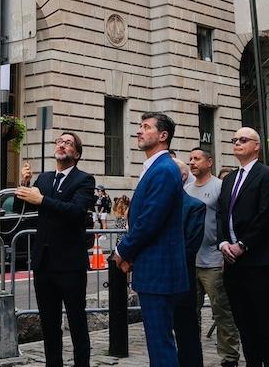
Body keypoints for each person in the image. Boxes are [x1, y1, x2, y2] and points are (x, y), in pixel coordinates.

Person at [113, 112, 187, 367]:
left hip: (160, 271)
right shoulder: (155, 167)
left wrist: (123, 250)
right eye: (139, 126)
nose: (139, 131)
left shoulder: (164, 169)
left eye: (146, 127)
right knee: (158, 343)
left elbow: (149, 220)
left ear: (163, 136)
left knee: (160, 344)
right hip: (153, 268)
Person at [15, 131, 95, 367]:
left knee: (77, 321)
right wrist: (25, 185)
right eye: (59, 141)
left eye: (68, 143)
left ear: (77, 154)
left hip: (70, 263)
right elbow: (24, 207)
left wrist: (42, 200)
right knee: (49, 324)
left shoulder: (84, 180)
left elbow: (76, 212)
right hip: (44, 262)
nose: (62, 145)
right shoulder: (45, 179)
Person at [217, 127, 269, 367]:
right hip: (232, 262)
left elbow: (266, 215)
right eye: (234, 140)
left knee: (264, 321)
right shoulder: (230, 179)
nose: (237, 143)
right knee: (243, 321)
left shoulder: (267, 175)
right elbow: (221, 213)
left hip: (257, 259)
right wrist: (224, 242)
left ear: (257, 145)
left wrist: (243, 245)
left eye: (243, 140)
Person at [186, 147, 240, 367]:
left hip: (214, 260)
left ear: (209, 162)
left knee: (222, 311)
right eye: (190, 159)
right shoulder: (187, 189)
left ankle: (229, 357)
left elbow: (228, 220)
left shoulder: (220, 187)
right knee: (190, 312)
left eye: (197, 159)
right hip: (190, 259)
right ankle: (191, 354)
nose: (192, 162)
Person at [172, 158, 206, 367]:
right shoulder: (154, 204)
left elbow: (190, 246)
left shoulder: (195, 207)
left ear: (183, 177)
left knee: (187, 333)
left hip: (182, 279)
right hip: (157, 281)